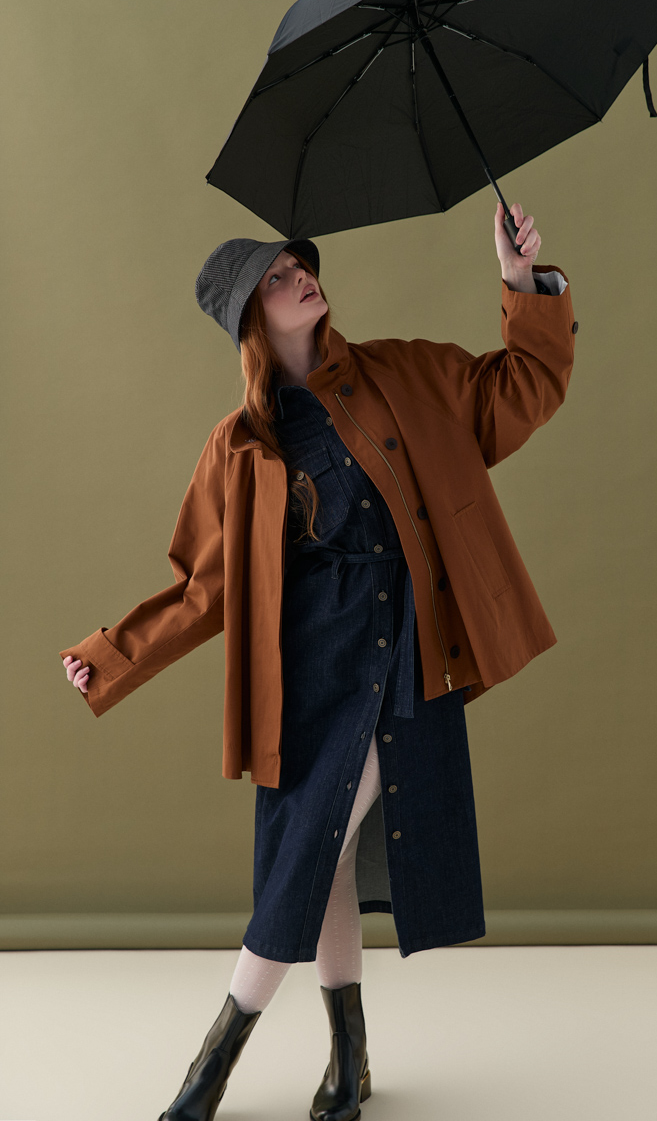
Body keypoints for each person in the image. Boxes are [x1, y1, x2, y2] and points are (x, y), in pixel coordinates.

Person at [60, 201, 576, 1121]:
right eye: (277, 277)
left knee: (311, 847)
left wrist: (520, 282)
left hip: (406, 649)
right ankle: (350, 1062)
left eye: (300, 265)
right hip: (311, 673)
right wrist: (112, 655)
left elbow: (526, 385)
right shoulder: (238, 446)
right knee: (324, 859)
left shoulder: (403, 374)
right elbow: (204, 590)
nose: (301, 277)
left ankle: (211, 1064)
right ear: (250, 318)